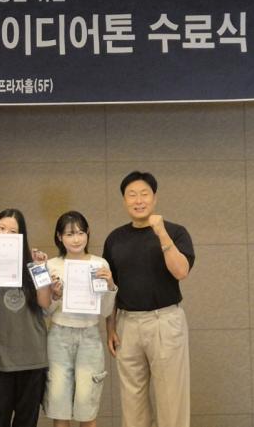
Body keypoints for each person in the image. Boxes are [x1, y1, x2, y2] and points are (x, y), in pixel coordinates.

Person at [104, 171, 195, 427]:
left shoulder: (176, 232)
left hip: (164, 321)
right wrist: (110, 327)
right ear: (124, 201)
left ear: (154, 198)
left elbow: (181, 271)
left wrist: (161, 233)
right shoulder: (115, 239)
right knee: (132, 401)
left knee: (171, 400)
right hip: (127, 324)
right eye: (131, 195)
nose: (138, 200)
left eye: (144, 194)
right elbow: (110, 287)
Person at [0, 209, 52, 427]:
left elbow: (45, 302)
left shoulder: (31, 261)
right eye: (1, 228)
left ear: (21, 236)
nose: (6, 234)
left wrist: (40, 269)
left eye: (13, 231)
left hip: (31, 359)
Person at [43, 211, 117, 427]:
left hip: (89, 337)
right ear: (59, 237)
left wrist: (110, 285)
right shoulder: (51, 265)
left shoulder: (99, 264)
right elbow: (45, 312)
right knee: (59, 404)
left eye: (80, 233)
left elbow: (105, 310)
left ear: (88, 233)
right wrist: (55, 295)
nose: (76, 239)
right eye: (69, 234)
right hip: (58, 336)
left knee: (87, 404)